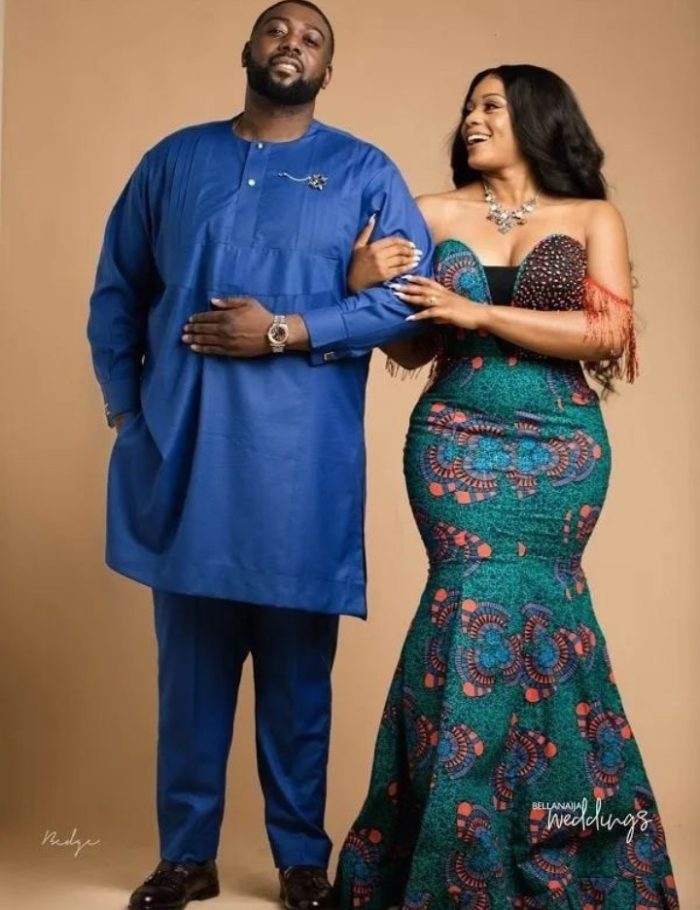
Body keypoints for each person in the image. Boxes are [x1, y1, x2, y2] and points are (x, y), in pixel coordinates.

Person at [86, 3, 433, 908]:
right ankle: (186, 857)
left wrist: (288, 328)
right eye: (278, 30)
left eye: (313, 39)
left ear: (328, 73)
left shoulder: (364, 173)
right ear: (249, 49)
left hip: (301, 470)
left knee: (297, 683)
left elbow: (409, 302)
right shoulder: (175, 162)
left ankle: (300, 862)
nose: (293, 43)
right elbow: (118, 288)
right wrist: (127, 410)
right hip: (187, 460)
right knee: (189, 679)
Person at [334, 65, 679, 909]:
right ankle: (448, 861)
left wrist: (480, 313)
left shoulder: (592, 216)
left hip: (562, 443)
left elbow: (607, 331)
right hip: (455, 437)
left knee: (553, 619)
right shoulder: (430, 211)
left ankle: (579, 858)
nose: (471, 117)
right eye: (468, 106)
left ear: (536, 115)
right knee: (465, 610)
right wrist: (358, 283)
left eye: (490, 104)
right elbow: (414, 344)